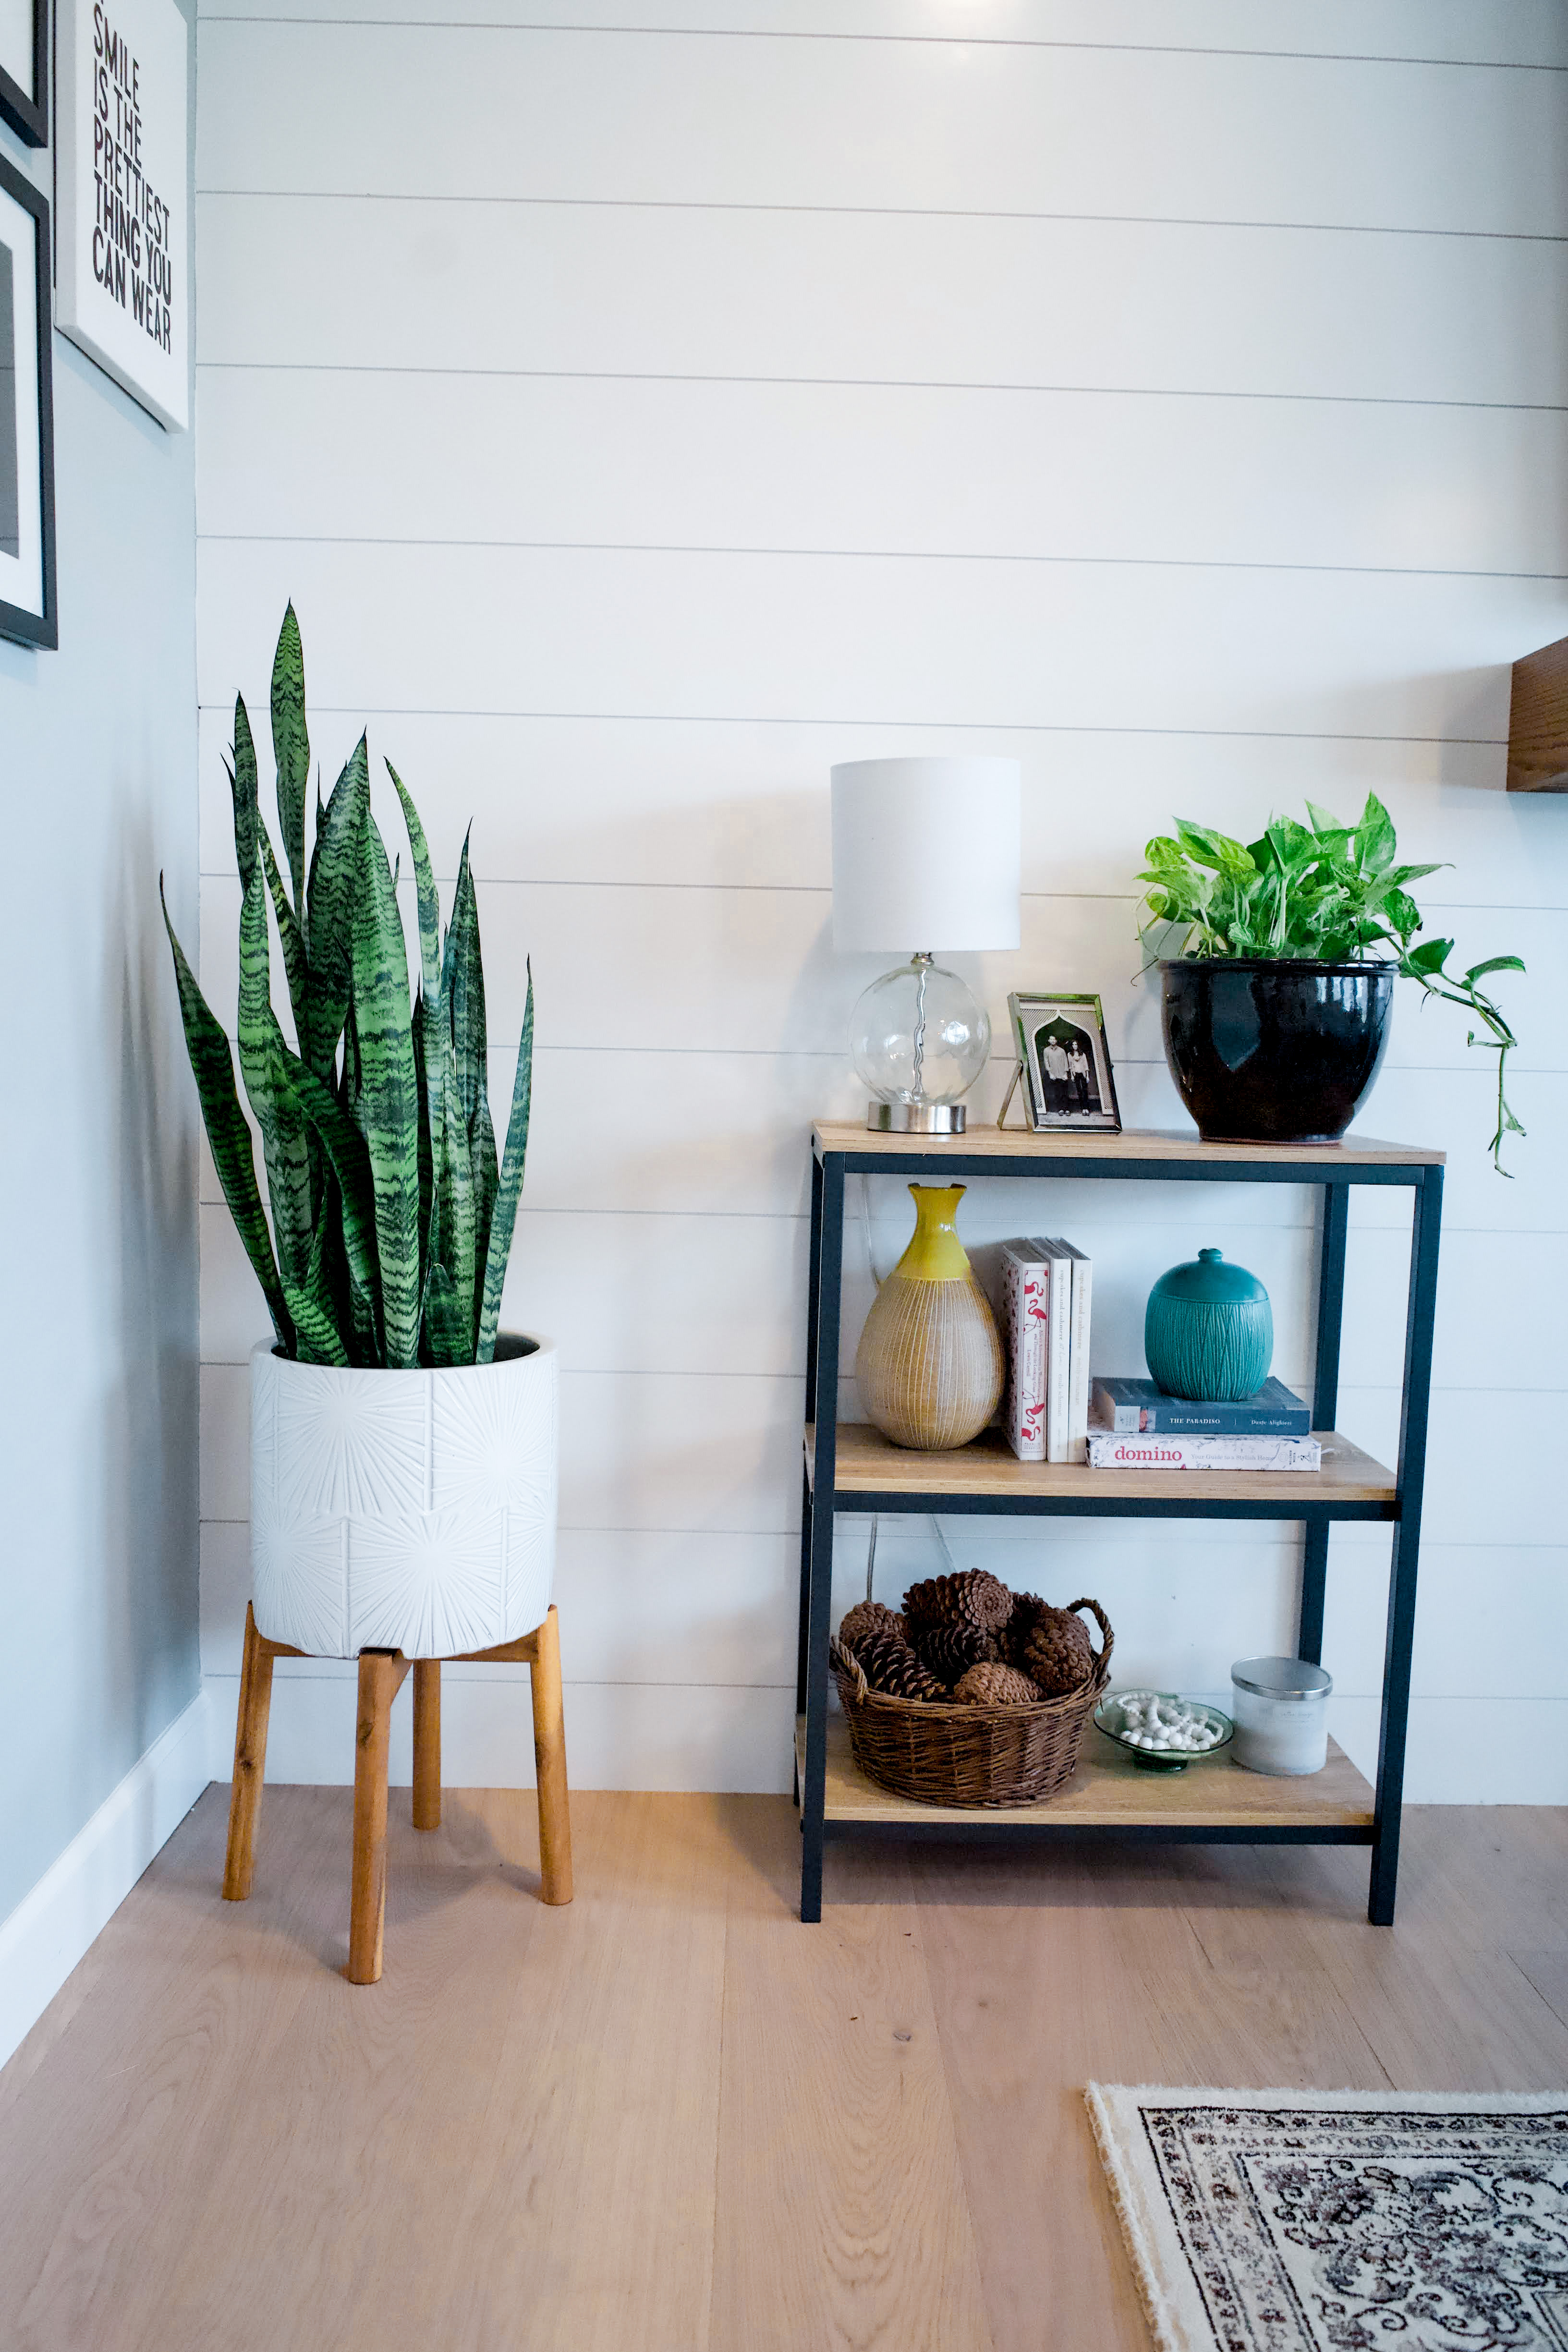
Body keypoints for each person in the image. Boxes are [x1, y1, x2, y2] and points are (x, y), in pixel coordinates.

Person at [1039, 1032, 1070, 1115]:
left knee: (1065, 1092)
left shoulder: (1062, 1051)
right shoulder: (1046, 1051)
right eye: (1051, 1039)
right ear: (1049, 1041)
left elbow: (1065, 1061)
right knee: (1057, 1092)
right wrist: (1050, 1074)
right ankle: (1060, 1109)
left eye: (1054, 1039)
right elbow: (1046, 1062)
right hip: (1054, 1075)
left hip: (1063, 1074)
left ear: (1056, 1041)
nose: (1053, 1041)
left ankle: (1067, 1109)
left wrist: (1065, 1073)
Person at [1067, 1037, 1095, 1113]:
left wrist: (1088, 1076)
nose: (1075, 1046)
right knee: (1079, 1091)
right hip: (1076, 1074)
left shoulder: (1083, 1054)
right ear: (1072, 1046)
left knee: (1085, 1090)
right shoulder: (1070, 1055)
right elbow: (1070, 1066)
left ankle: (1087, 1109)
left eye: (1076, 1045)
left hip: (1083, 1074)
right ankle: (1083, 1108)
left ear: (1078, 1046)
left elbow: (1086, 1065)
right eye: (1073, 1045)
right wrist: (1072, 1075)